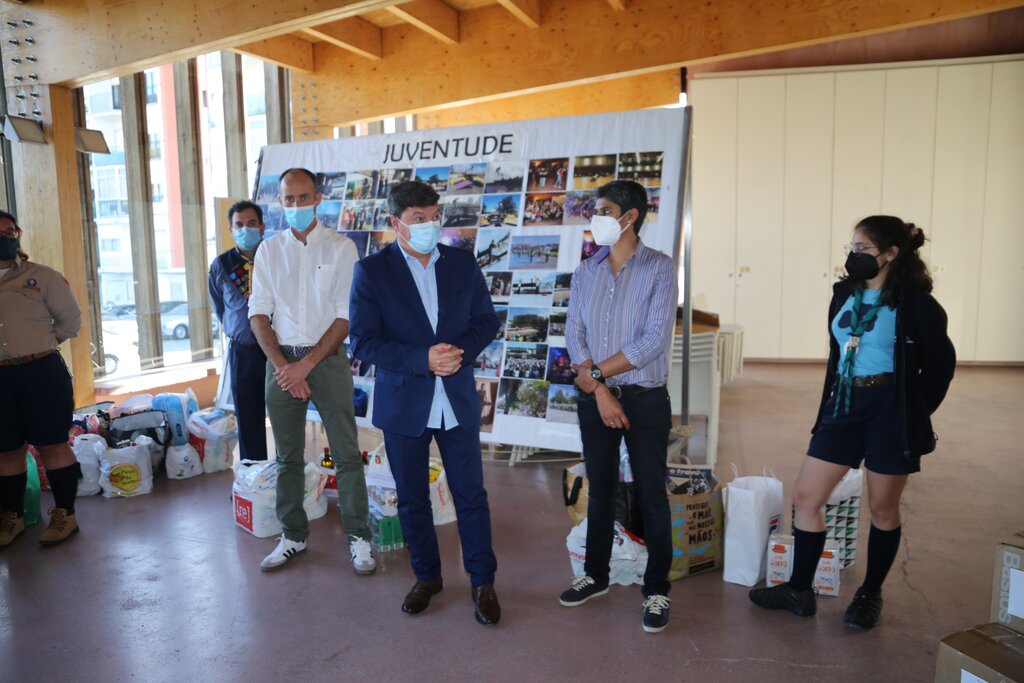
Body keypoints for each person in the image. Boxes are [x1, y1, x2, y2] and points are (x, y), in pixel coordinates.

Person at [749, 216, 955, 629]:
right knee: (806, 496)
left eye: (863, 249)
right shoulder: (844, 293)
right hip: (844, 403)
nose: (853, 256)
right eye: (852, 248)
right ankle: (799, 590)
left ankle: (869, 593)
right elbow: (837, 349)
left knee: (882, 508)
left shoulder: (918, 305)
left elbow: (940, 368)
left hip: (889, 408)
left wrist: (913, 414)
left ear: (891, 253)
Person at [349, 180, 502, 626]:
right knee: (413, 499)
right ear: (395, 222)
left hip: (456, 398)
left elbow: (486, 320)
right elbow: (363, 341)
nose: (430, 225)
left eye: (435, 216)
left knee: (471, 495)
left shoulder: (461, 263)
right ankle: (427, 577)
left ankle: (482, 582)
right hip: (404, 403)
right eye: (419, 219)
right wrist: (423, 358)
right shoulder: (372, 271)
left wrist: (459, 352)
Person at [561, 180, 678, 634]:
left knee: (651, 493)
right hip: (597, 398)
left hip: (645, 398)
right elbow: (574, 334)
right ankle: (596, 574)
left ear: (630, 217)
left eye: (604, 210)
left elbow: (652, 342)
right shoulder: (586, 271)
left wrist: (595, 375)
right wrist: (600, 389)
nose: (596, 219)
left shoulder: (660, 268)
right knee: (601, 488)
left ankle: (657, 589)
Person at [248, 168, 374, 574]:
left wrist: (304, 366)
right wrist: (285, 367)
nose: (297, 205)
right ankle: (293, 535)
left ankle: (358, 537)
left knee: (346, 454)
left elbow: (345, 315)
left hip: (327, 360)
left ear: (318, 198)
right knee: (286, 458)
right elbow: (258, 314)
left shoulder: (341, 248)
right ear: (280, 202)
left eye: (304, 197)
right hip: (281, 364)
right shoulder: (269, 251)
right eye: (289, 199)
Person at [0, 211, 83, 547]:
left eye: (9, 231)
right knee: (6, 451)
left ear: (18, 234)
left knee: (52, 444)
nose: (4, 237)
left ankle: (65, 514)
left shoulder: (42, 276)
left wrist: (38, 346)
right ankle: (12, 516)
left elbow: (70, 322)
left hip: (42, 372)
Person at [208, 200, 269, 462]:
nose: (246, 229)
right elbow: (219, 307)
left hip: (280, 350)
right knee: (248, 416)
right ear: (231, 230)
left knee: (285, 415)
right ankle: (252, 472)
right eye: (239, 225)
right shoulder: (221, 265)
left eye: (252, 223)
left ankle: (287, 474)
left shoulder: (276, 257)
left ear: (262, 227)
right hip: (244, 351)